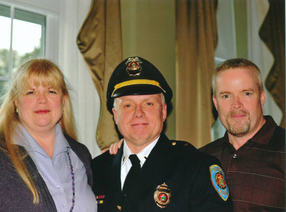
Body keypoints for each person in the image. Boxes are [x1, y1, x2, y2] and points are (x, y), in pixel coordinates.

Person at [91, 56, 233, 211]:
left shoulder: (196, 166)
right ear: (116, 115)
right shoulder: (96, 169)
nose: (138, 113)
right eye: (128, 105)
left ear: (163, 111)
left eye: (148, 103)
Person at [0, 59, 97, 212]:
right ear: (16, 102)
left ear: (63, 101)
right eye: (31, 92)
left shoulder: (81, 155)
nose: (42, 100)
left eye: (51, 91)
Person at [199, 58, 285, 211]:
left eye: (246, 93)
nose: (236, 104)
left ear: (262, 97)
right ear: (215, 102)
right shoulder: (201, 158)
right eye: (226, 96)